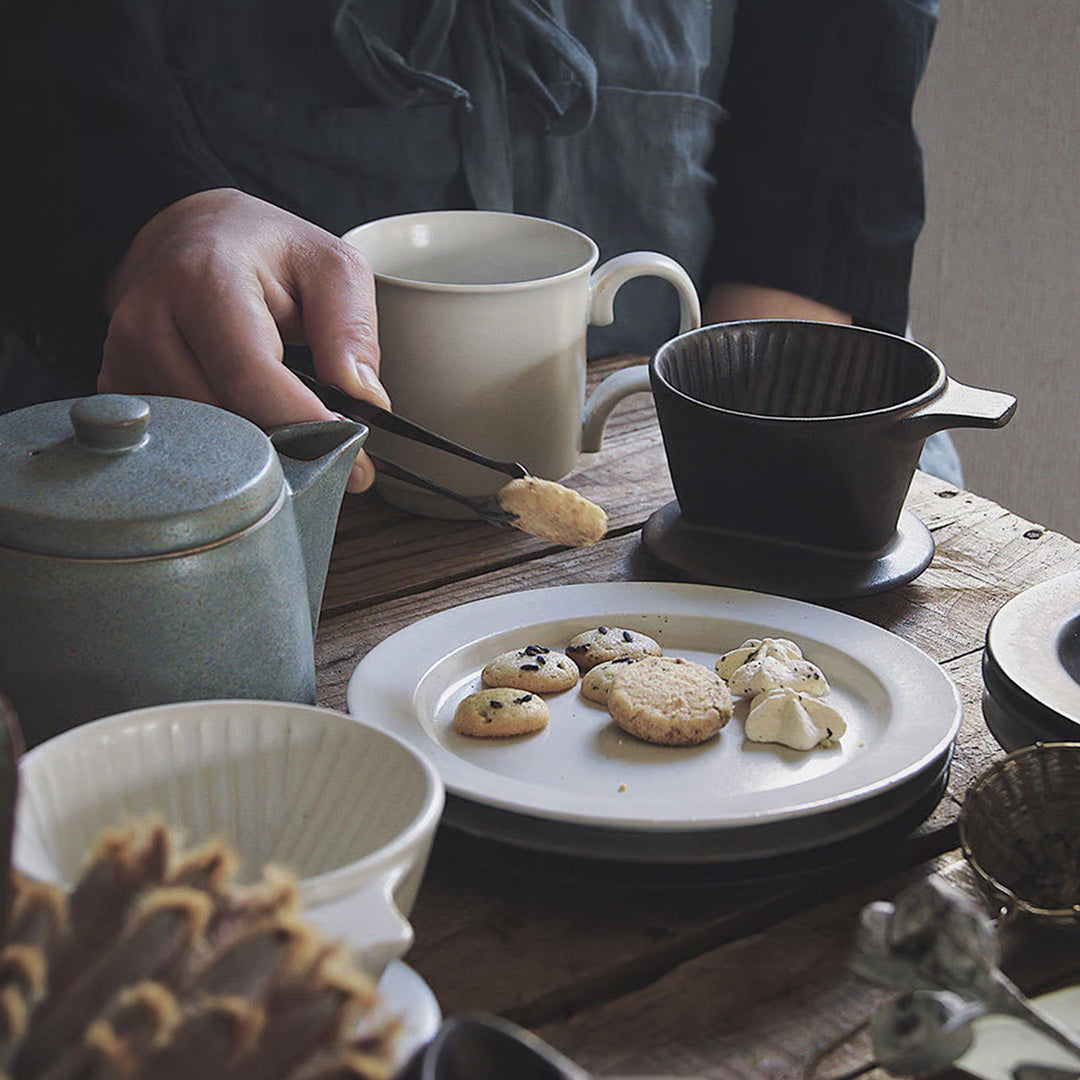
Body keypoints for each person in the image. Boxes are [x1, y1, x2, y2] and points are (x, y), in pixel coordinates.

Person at [0, 0, 957, 492]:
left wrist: (771, 398)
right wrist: (153, 212)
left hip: (678, 434)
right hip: (252, 468)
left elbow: (837, 80)